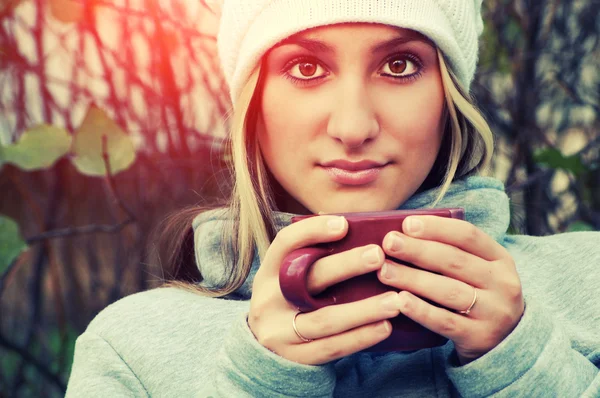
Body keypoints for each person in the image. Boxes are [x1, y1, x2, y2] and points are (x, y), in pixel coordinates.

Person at [66, 0, 600, 396]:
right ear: (254, 102)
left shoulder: (588, 282)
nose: (353, 125)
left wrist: (524, 365)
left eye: (399, 66)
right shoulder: (131, 348)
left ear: (449, 96)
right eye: (306, 68)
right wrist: (261, 381)